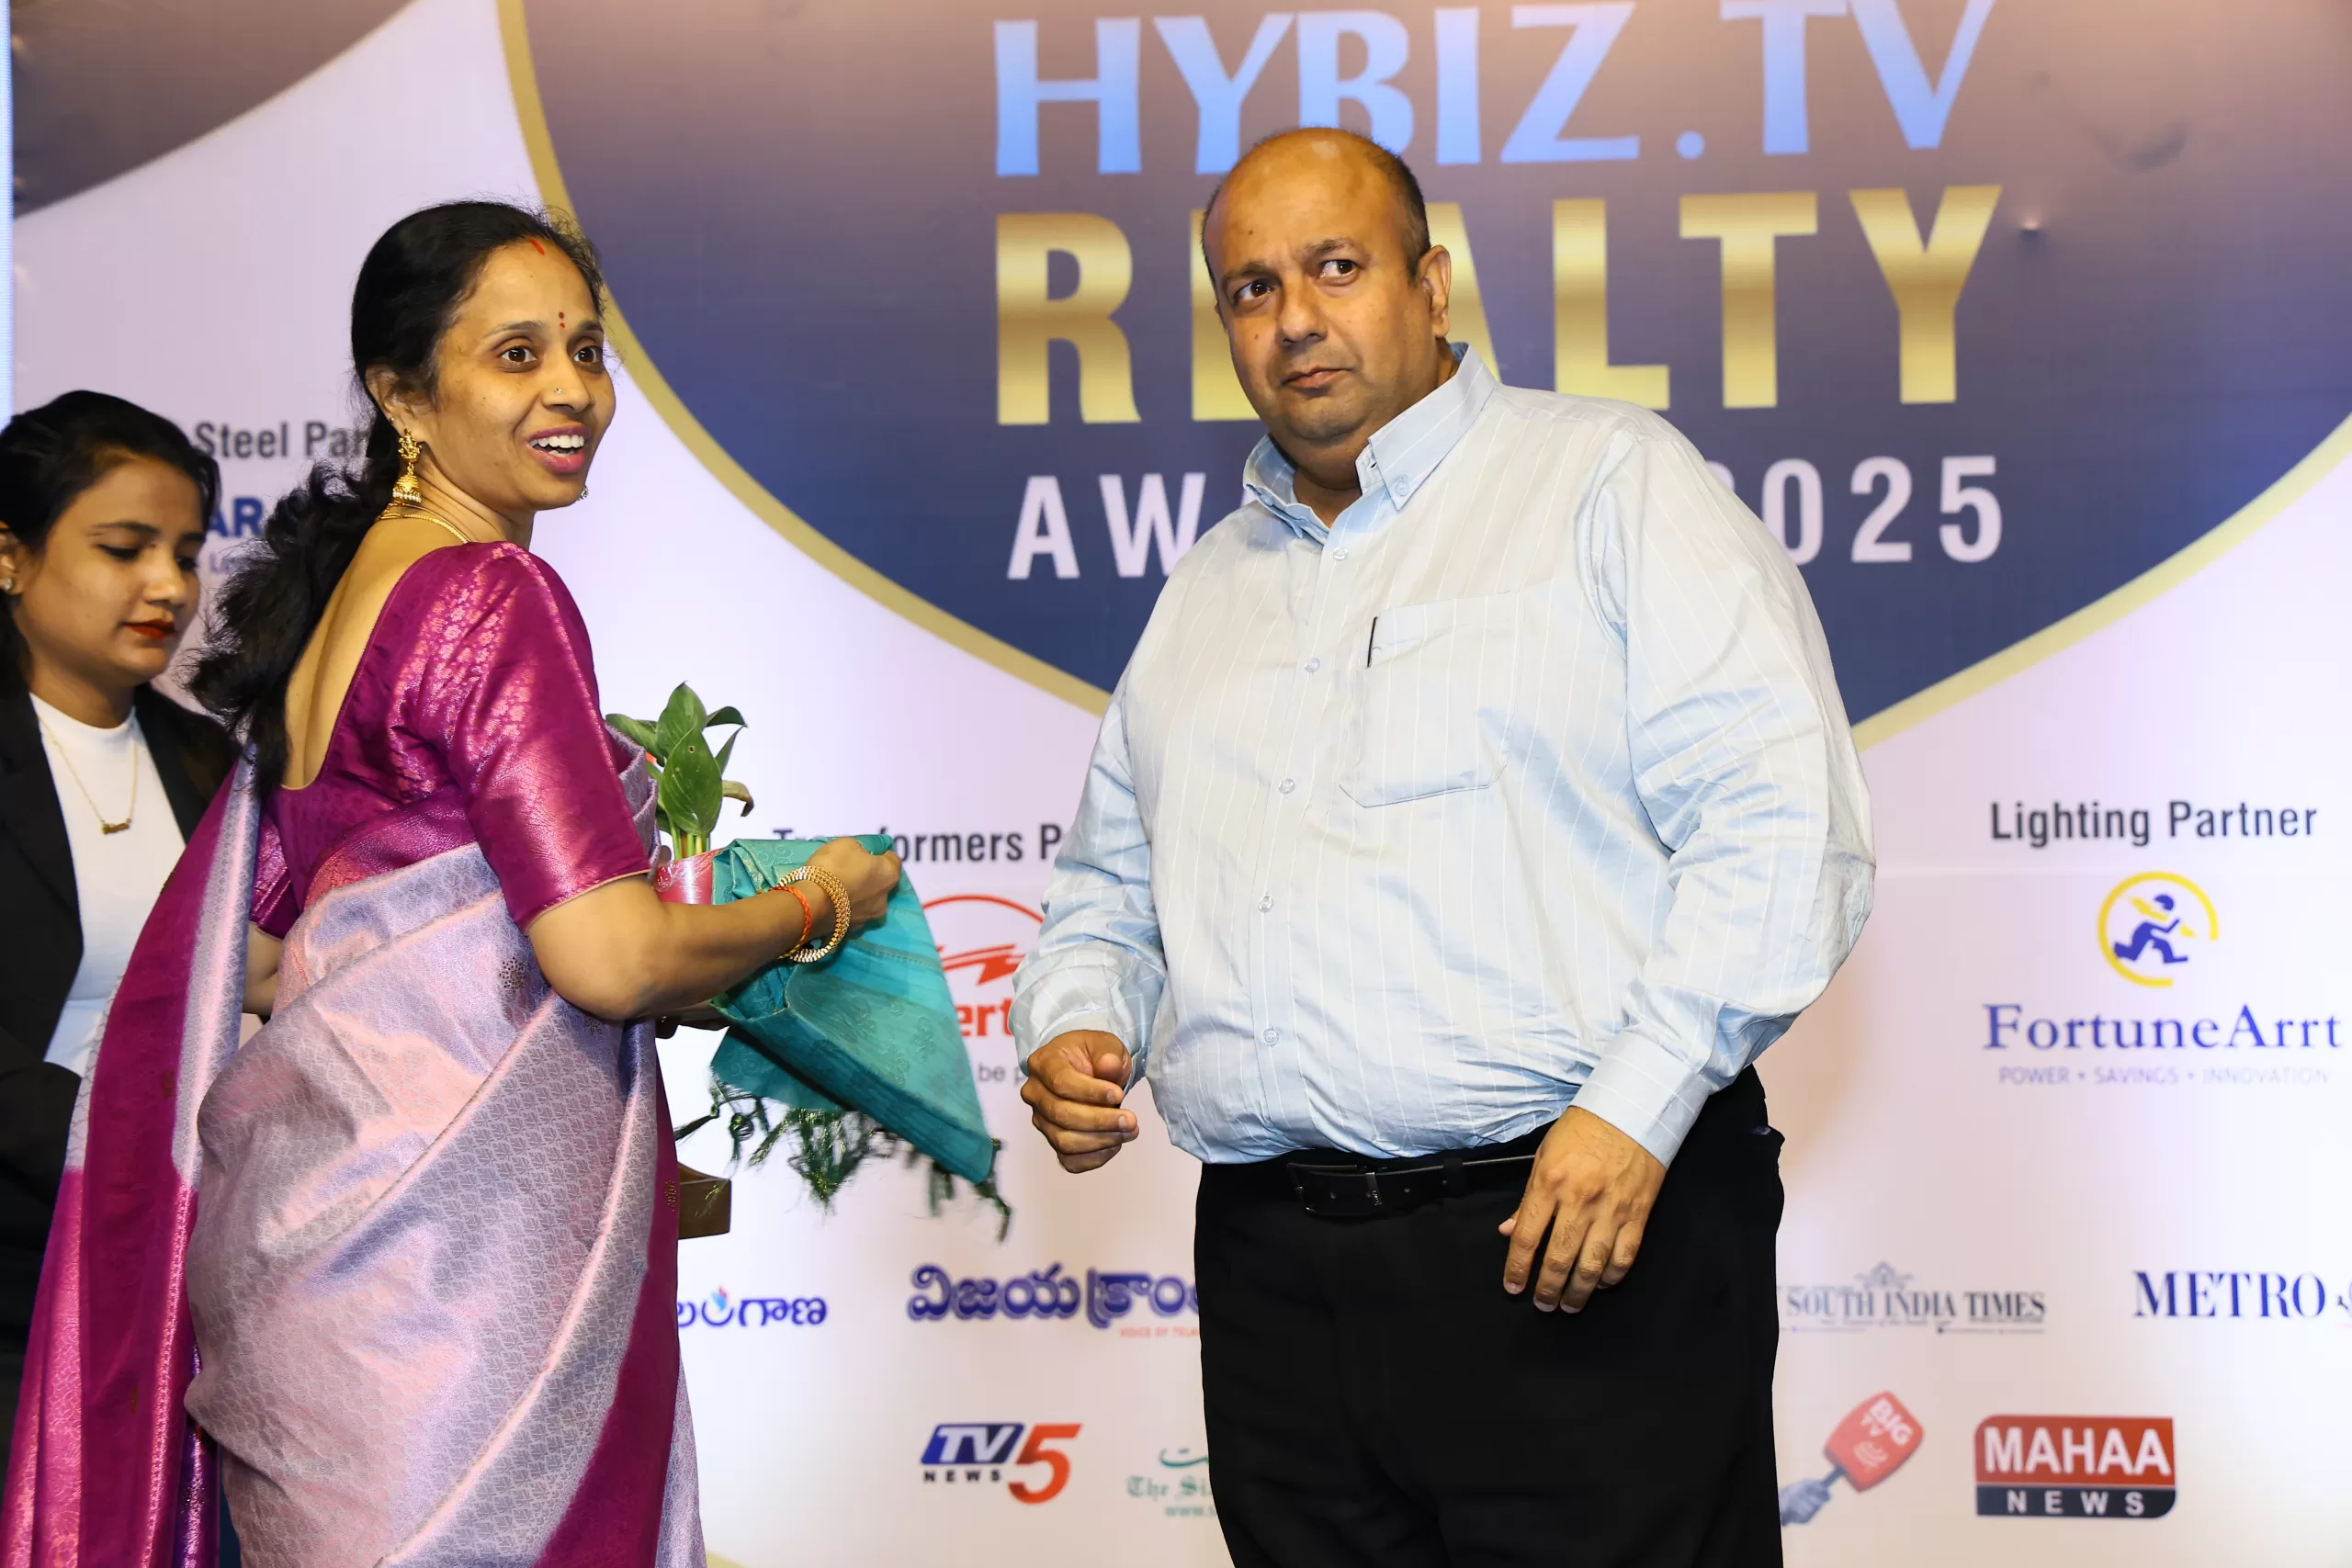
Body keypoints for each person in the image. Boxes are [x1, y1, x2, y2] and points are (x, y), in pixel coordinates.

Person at [1013, 130, 1873, 1567]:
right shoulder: (1210, 584)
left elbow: (1787, 822)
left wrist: (1638, 1107)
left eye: (1336, 268)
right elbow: (1110, 881)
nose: (1296, 317)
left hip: (1577, 1239)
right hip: (1278, 1285)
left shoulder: (1608, 482)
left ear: (1430, 283)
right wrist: (1077, 1014)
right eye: (1251, 287)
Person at [3, 201, 900, 1568]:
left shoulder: (342, 605)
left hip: (319, 1265)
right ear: (401, 392)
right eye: (516, 354)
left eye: (587, 350)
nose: (571, 390)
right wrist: (818, 904)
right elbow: (606, 959)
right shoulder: (488, 594)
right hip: (450, 1293)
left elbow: (348, 946)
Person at [0, 393, 236, 1462]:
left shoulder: (211, 763)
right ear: (11, 557)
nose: (170, 587)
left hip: (176, 1265)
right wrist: (125, 1155)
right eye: (124, 548)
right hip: (19, 1255)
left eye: (184, 554)